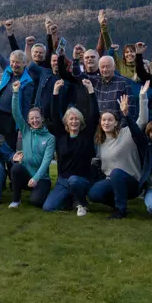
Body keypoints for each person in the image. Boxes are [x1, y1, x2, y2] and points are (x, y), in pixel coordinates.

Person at [87, 87, 150, 219]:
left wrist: (142, 96)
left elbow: (143, 120)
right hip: (112, 180)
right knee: (94, 194)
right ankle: (118, 203)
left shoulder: (127, 133)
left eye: (110, 120)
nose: (106, 122)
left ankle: (120, 211)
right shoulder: (100, 142)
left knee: (116, 172)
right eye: (103, 120)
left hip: (131, 181)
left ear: (116, 123)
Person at [42, 78, 99, 216]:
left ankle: (81, 203)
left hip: (81, 179)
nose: (74, 121)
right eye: (71, 119)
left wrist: (91, 91)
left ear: (80, 121)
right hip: (63, 180)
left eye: (76, 118)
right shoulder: (61, 136)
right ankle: (70, 199)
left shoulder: (86, 135)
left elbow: (94, 114)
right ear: (66, 122)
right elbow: (55, 115)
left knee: (74, 180)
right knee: (48, 207)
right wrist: (55, 92)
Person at [0, 26, 33, 148]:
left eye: (17, 62)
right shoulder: (7, 69)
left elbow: (26, 106)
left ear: (24, 63)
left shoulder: (28, 82)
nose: (14, 65)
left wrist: (22, 126)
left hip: (13, 119)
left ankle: (9, 167)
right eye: (12, 61)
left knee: (9, 147)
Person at [9, 80, 56, 209]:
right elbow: (16, 113)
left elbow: (46, 161)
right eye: (32, 119)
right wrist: (15, 93)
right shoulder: (26, 131)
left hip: (41, 178)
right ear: (28, 121)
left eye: (37, 118)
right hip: (26, 174)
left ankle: (42, 192)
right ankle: (16, 200)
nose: (35, 120)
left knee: (36, 202)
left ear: (42, 119)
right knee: (16, 168)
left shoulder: (50, 138)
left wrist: (36, 178)